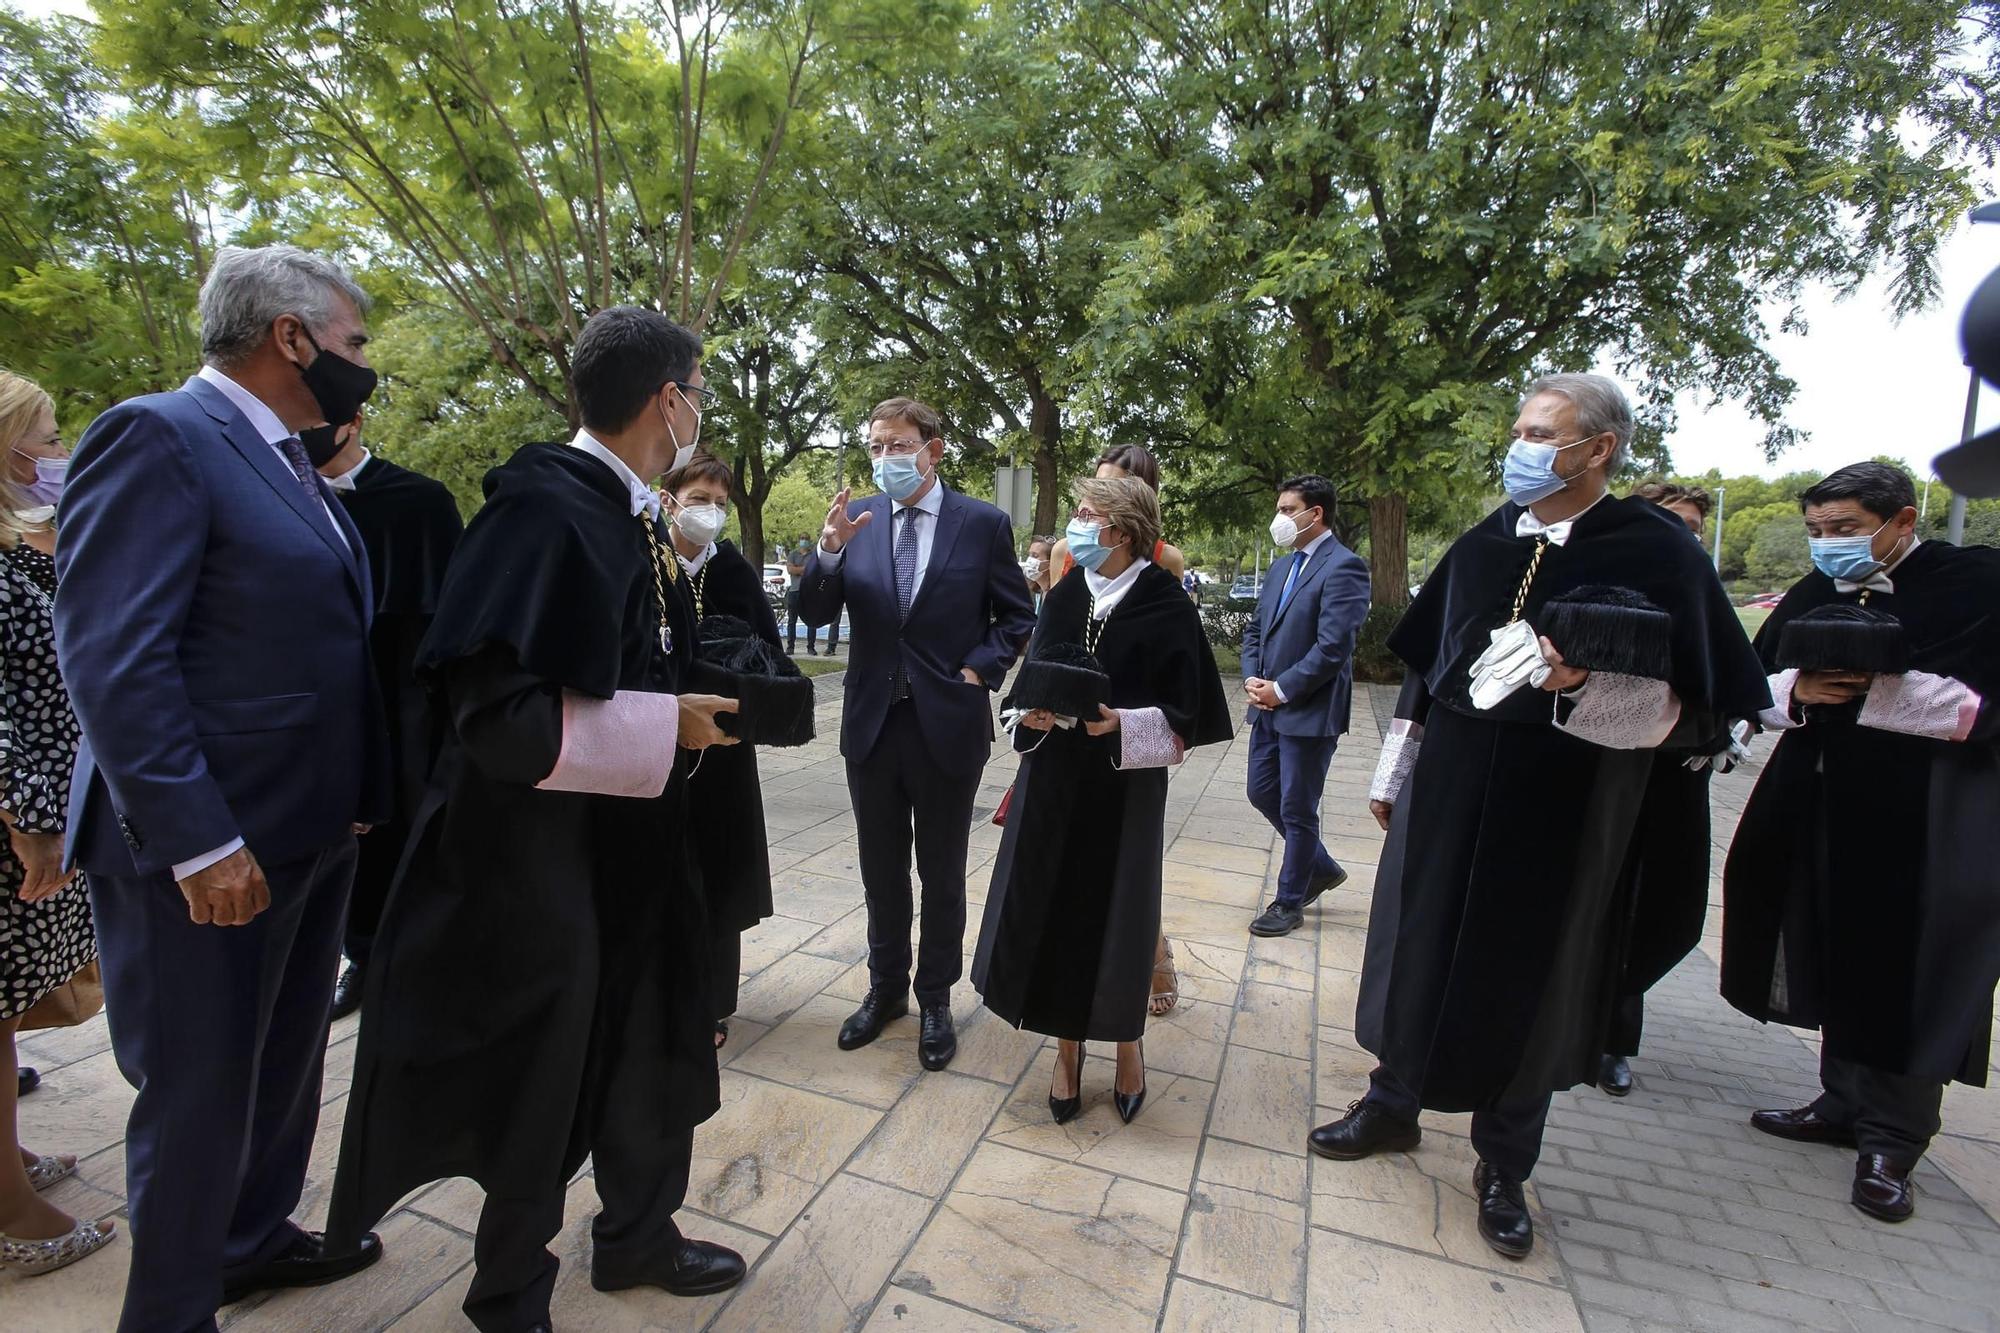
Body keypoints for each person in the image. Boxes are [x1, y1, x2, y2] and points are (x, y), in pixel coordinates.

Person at [326, 307, 744, 1329]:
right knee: (542, 1075)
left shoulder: (633, 512)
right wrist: (661, 727)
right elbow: (495, 717)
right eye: (695, 387)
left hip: (638, 844)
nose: (698, 408)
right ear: (666, 398)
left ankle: (638, 1235)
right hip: (543, 864)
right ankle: (508, 1288)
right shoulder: (540, 510)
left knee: (652, 1041)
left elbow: (630, 655)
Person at [1321, 373, 1767, 1260]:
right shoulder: (1488, 540)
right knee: (1422, 943)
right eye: (1520, 429)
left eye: (1540, 432)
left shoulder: (1659, 553)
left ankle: (1505, 1162)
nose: (1520, 447)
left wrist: (1583, 685)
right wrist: (1393, 767)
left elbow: (1704, 708)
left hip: (1566, 810)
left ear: (1597, 449)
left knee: (1535, 975)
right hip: (1449, 791)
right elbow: (1427, 669)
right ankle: (1392, 1101)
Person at [54, 244, 392, 1330]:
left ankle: (249, 1241)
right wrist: (199, 840)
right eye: (352, 342)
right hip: (208, 851)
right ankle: (170, 1310)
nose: (361, 364)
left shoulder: (288, 457)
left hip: (304, 832)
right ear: (289, 336)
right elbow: (114, 654)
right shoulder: (159, 434)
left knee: (283, 1068)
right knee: (199, 1095)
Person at [1721, 462, 2000, 1224]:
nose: (1827, 547)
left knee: (1911, 967)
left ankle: (1893, 1138)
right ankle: (1840, 1102)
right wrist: (1798, 692)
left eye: (1844, 530)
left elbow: (1981, 703)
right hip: (1820, 799)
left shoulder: (1975, 584)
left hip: (1929, 814)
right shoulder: (1818, 592)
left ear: (1902, 520)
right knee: (1834, 944)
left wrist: (1878, 692)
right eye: (1816, 532)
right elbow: (1755, 679)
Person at [973, 476, 1231, 1125]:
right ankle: (1066, 1051)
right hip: (1054, 788)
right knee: (1056, 916)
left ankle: (1127, 1044)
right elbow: (1025, 688)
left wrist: (1124, 724)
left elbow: (1188, 722)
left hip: (1125, 794)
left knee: (1121, 920)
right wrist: (1025, 718)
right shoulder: (1064, 595)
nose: (1076, 526)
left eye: (1087, 515)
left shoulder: (1166, 604)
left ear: (1121, 530)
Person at [799, 397, 1035, 1071]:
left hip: (947, 723)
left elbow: (1015, 617)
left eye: (898, 445)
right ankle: (885, 990)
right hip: (873, 724)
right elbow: (813, 612)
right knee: (881, 871)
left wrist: (978, 670)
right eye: (876, 446)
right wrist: (828, 550)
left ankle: (935, 996)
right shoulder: (858, 523)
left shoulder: (982, 524)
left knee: (941, 870)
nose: (885, 458)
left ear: (933, 449)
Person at [0, 371, 114, 1277]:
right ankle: (10, 1210)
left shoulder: (16, 547)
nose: (56, 449)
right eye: (45, 433)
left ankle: (9, 1159)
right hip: (14, 818)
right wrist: (30, 818)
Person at [318, 411, 465, 1021]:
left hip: (406, 706)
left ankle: (423, 959)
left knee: (409, 833)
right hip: (323, 704)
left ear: (350, 423)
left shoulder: (419, 502)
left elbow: (449, 622)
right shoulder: (280, 494)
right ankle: (361, 955)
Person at [1054, 445, 1194, 1012]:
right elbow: (1057, 627)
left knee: (1132, 860)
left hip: (1130, 733)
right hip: (1066, 734)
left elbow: (1169, 658)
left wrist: (1131, 725)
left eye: (1116, 489)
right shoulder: (1069, 552)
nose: (1094, 503)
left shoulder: (1167, 563)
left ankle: (1148, 955)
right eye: (1097, 485)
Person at [1598, 479, 1722, 1095]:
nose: (1680, 539)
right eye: (1667, 523)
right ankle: (1594, 1027)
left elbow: (1730, 685)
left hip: (1673, 781)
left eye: (1692, 529)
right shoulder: (1600, 588)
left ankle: (1616, 1022)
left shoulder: (1702, 598)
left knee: (1663, 909)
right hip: (1602, 776)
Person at [661, 452, 783, 1047]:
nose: (708, 510)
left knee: (718, 866)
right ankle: (663, 992)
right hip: (659, 741)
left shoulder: (733, 571)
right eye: (698, 497)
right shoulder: (650, 561)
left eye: (718, 500)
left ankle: (710, 1002)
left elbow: (768, 648)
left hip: (725, 746)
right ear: (669, 500)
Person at [1240, 474, 1371, 938]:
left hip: (1309, 711)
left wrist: (1283, 688)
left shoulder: (1345, 567)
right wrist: (1254, 677)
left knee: (1297, 807)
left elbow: (1334, 647)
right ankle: (1320, 867)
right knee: (1261, 791)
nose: (1279, 518)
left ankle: (1289, 900)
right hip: (1267, 707)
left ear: (1315, 513)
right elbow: (1257, 629)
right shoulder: (1281, 567)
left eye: (1286, 509)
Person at [1049, 445, 1188, 580]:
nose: (1098, 493)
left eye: (1112, 487)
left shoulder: (1167, 558)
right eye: (1098, 483)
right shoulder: (1064, 551)